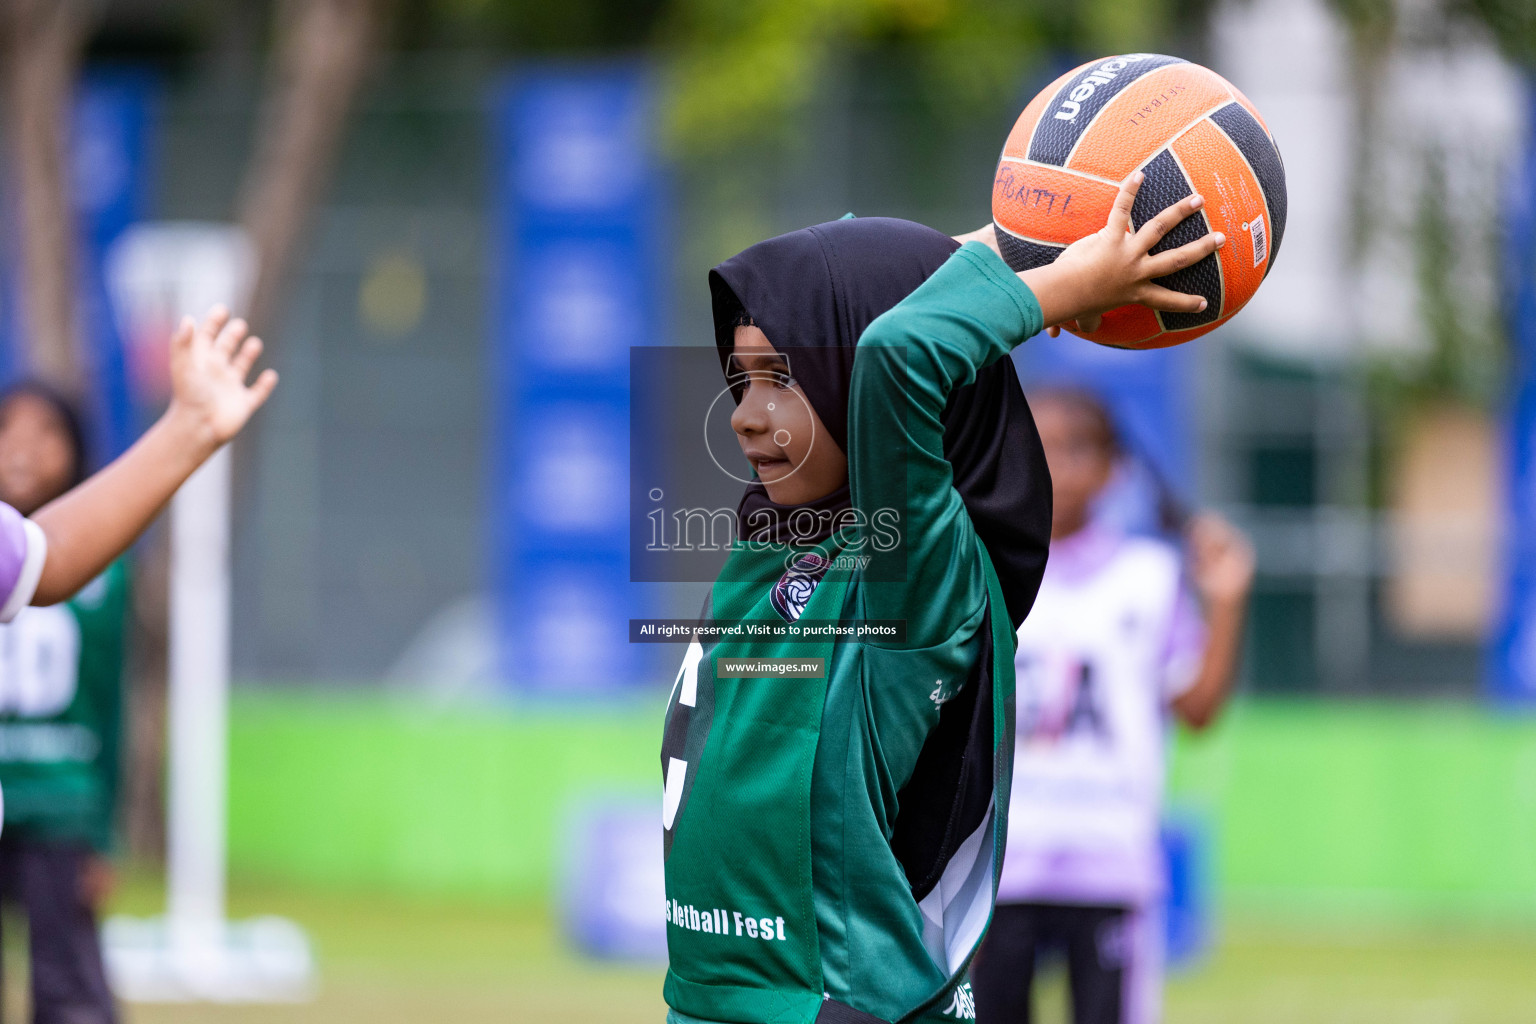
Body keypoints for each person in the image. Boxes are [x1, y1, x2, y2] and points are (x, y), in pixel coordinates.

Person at [659, 173, 1225, 1024]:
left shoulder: (919, 570)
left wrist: (1065, 282)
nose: (745, 414)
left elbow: (896, 352)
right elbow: (875, 303)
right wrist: (1041, 239)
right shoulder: (773, 540)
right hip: (721, 1005)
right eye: (741, 382)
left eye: (782, 377)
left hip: (833, 1004)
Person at [970, 389, 1255, 1024]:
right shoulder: (975, 570)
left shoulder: (1149, 577)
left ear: (1114, 468)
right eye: (1034, 448)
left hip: (1109, 862)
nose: (1053, 467)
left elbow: (1199, 708)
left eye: (1074, 448)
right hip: (996, 868)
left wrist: (1228, 602)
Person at [0, 382, 131, 1024]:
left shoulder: (99, 574)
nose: (23, 451)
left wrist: (103, 834)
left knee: (69, 989)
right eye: (10, 432)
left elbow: (110, 706)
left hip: (57, 804)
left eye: (44, 433)